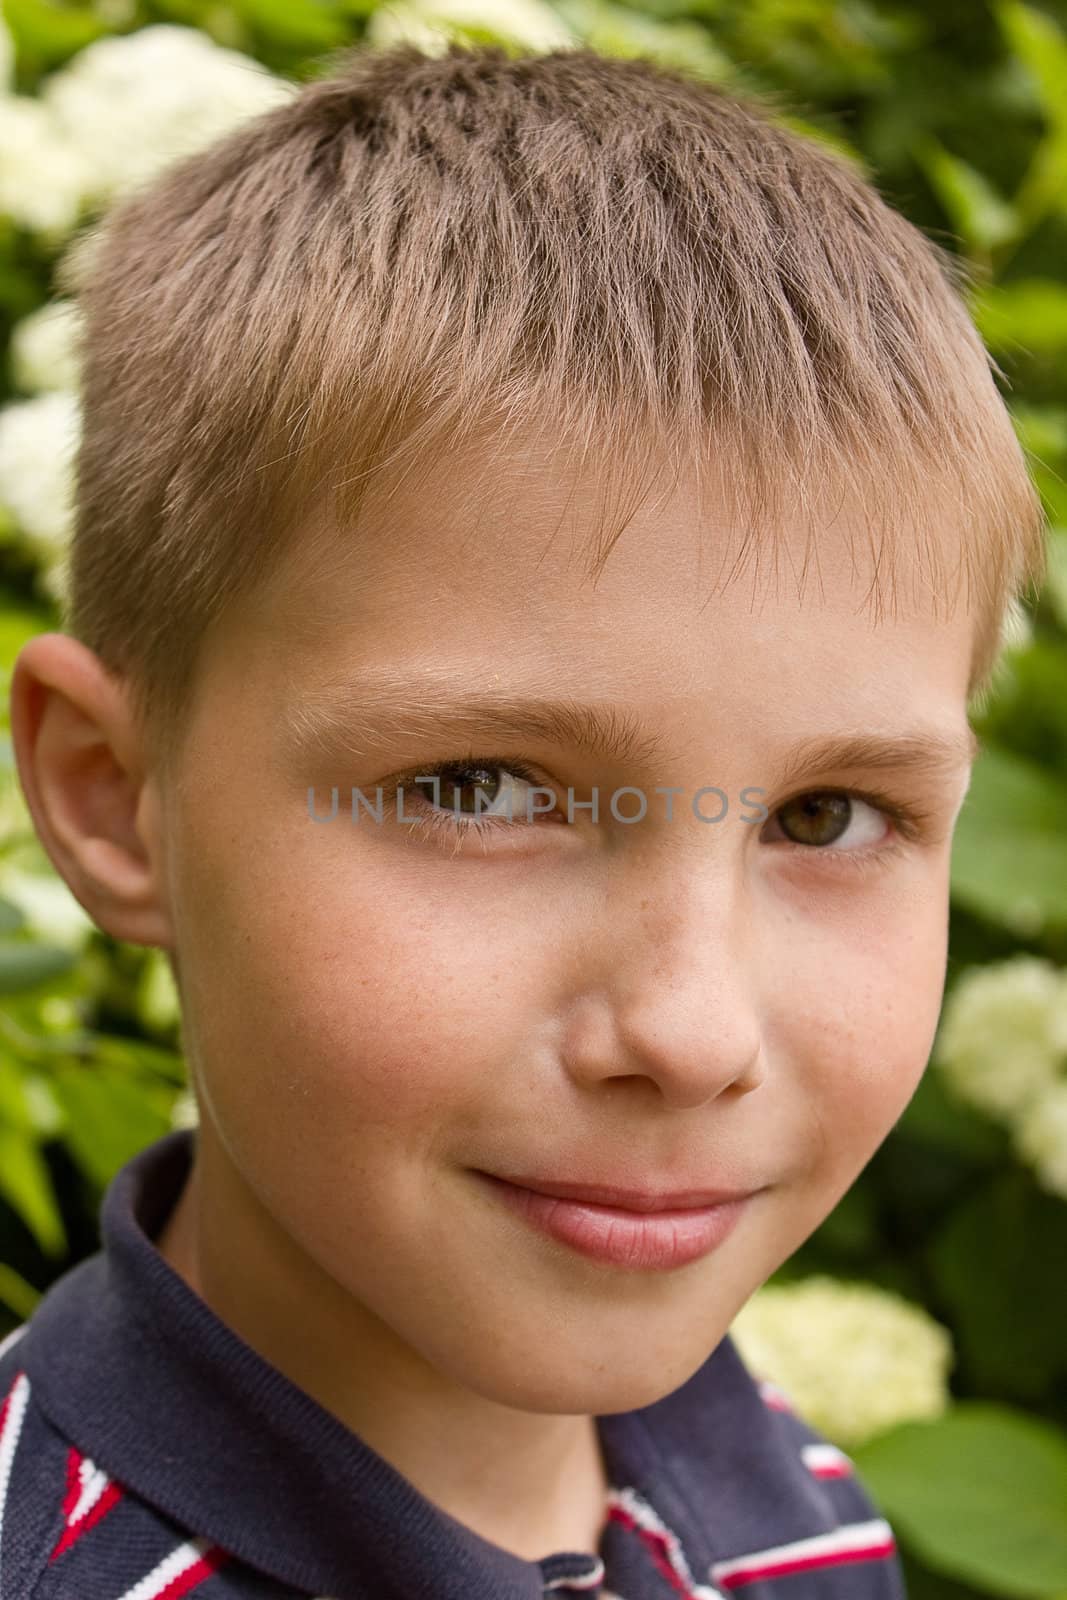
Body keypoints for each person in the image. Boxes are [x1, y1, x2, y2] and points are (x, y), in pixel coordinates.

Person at [0, 37, 1046, 1600]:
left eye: (828, 814)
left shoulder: (786, 1498)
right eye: (477, 790)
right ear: (112, 797)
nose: (691, 1032)